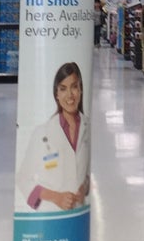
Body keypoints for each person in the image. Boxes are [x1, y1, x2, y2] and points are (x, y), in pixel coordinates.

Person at [16, 62, 91, 211]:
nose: (69, 95)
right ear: (56, 94)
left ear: (81, 90)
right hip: (51, 215)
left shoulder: (87, 127)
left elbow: (86, 171)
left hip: (79, 213)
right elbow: (23, 178)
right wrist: (56, 197)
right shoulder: (42, 133)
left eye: (74, 87)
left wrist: (84, 188)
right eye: (63, 89)